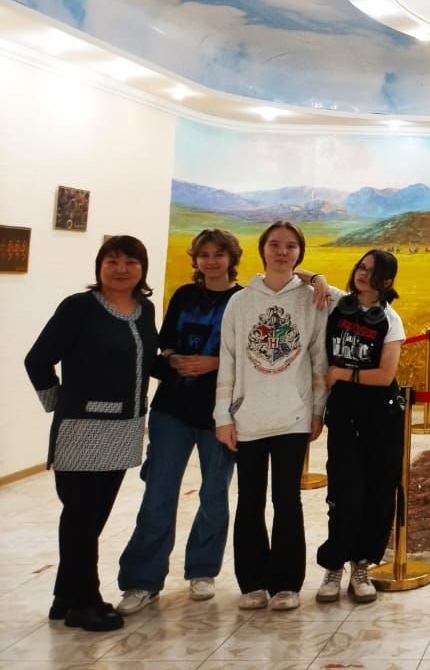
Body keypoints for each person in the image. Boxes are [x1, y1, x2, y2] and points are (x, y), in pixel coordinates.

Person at [25, 236, 159, 632]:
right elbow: (37, 360)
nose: (121, 269)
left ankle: (65, 597)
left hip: (125, 428)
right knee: (81, 518)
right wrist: (61, 404)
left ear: (142, 269)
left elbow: (144, 359)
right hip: (82, 430)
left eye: (130, 261)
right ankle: (86, 602)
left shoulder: (145, 310)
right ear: (99, 267)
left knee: (91, 518)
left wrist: (178, 365)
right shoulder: (79, 308)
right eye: (111, 261)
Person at [116, 229, 243, 616]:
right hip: (172, 408)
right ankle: (142, 580)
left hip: (220, 413)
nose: (211, 261)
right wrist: (173, 360)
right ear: (195, 259)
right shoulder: (184, 296)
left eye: (218, 254)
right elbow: (164, 345)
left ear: (231, 258)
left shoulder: (243, 300)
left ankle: (202, 570)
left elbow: (250, 357)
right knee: (158, 493)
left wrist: (214, 363)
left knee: (214, 494)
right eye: (204, 254)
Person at [214, 221, 328, 612]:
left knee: (287, 499)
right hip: (247, 418)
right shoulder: (240, 301)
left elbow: (318, 358)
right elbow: (228, 360)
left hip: (294, 416)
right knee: (249, 500)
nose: (282, 252)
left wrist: (317, 410)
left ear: (300, 253)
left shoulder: (311, 299)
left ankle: (287, 583)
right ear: (263, 249)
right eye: (275, 244)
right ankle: (252, 582)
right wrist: (223, 416)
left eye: (291, 246)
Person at [295, 251, 405, 605]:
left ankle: (362, 565)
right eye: (360, 267)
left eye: (372, 271)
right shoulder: (338, 303)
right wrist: (319, 280)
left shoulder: (391, 320)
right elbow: (299, 273)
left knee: (378, 491)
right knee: (344, 491)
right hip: (344, 413)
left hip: (381, 415)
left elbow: (385, 375)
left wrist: (343, 373)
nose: (362, 274)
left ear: (386, 281)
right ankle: (334, 564)